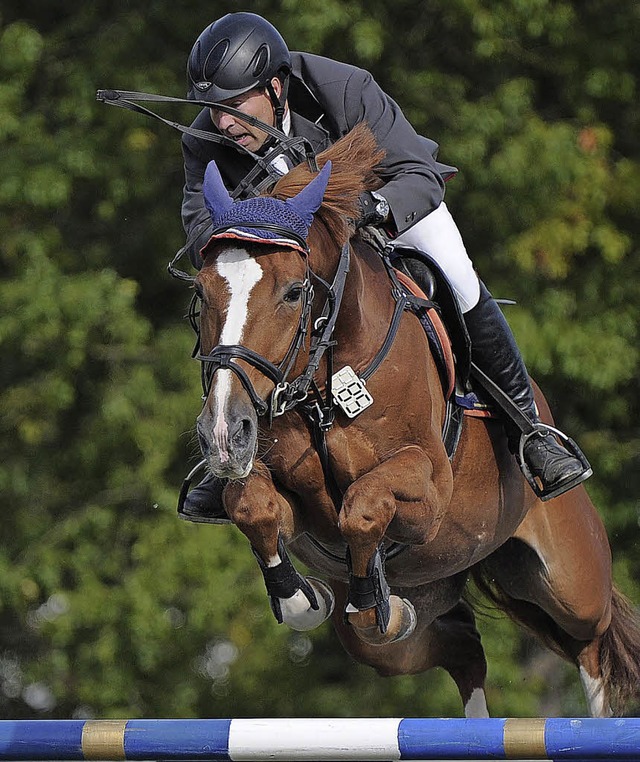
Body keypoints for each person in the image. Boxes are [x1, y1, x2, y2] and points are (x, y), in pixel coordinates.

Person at [178, 12, 591, 521]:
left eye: (235, 105)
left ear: (276, 87)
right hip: (292, 251)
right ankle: (228, 448)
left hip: (390, 210)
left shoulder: (343, 89)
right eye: (213, 108)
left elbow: (419, 175)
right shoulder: (204, 140)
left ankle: (530, 432)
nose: (222, 122)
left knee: (458, 278)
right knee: (232, 306)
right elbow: (201, 227)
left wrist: (376, 207)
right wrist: (250, 225)